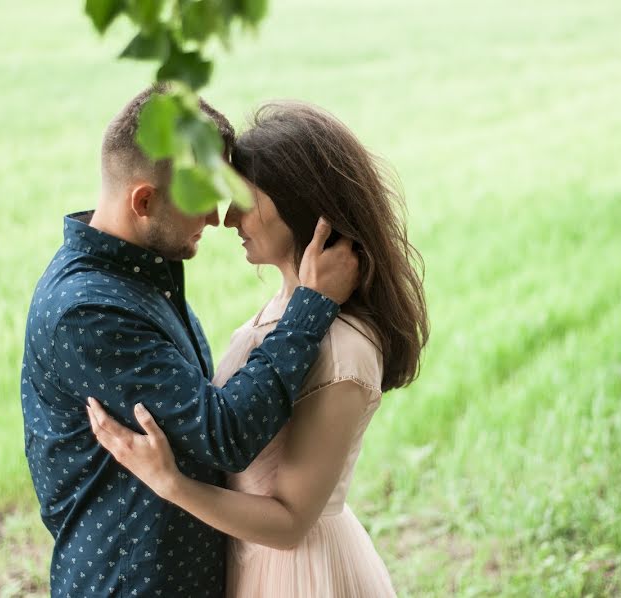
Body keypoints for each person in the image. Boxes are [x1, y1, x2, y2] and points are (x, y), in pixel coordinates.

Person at [20, 87, 359, 597]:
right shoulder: (89, 311)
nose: (215, 218)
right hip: (134, 584)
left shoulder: (141, 274)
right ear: (144, 200)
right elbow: (225, 436)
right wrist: (310, 306)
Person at [87, 101, 430, 597]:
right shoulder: (292, 309)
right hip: (252, 561)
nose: (226, 220)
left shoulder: (342, 348)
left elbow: (290, 522)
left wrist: (171, 484)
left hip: (298, 576)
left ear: (299, 205)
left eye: (243, 201)